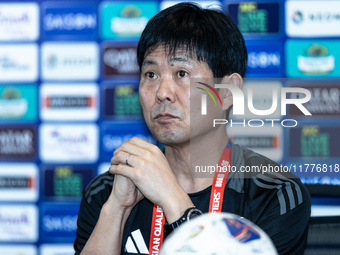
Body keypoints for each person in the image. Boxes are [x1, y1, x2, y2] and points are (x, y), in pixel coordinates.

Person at [74, 3, 311, 255]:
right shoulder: (107, 191)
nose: (162, 93)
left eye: (182, 73)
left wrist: (173, 200)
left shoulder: (274, 193)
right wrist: (117, 210)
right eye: (151, 74)